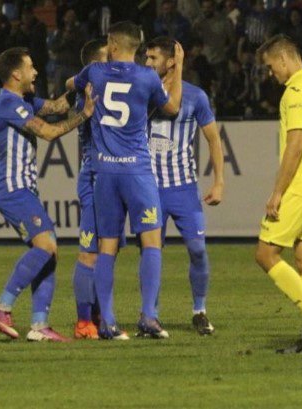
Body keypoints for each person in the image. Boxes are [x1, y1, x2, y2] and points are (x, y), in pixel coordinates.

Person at [67, 21, 184, 340]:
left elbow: (70, 82)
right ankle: (149, 316)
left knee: (105, 248)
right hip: (137, 172)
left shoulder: (93, 73)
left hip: (103, 172)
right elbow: (172, 107)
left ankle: (107, 322)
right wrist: (179, 67)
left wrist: (83, 89)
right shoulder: (146, 76)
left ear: (113, 45)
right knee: (150, 243)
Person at [0, 47, 95, 342]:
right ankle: (2, 306)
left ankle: (39, 325)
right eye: (31, 68)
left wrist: (80, 82)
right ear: (16, 74)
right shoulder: (6, 103)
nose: (36, 73)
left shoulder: (25, 101)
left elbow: (59, 106)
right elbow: (48, 132)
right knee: (45, 244)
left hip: (24, 189)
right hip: (12, 188)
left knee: (50, 250)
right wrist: (84, 115)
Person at [254, 34, 302, 354]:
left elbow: (297, 144)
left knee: (265, 254)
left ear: (284, 59)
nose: (272, 74)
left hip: (301, 186)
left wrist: (277, 192)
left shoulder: (297, 91)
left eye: (272, 67)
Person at [145, 36, 224, 335]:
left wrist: (219, 182)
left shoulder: (196, 97)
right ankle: (150, 315)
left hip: (183, 188)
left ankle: (199, 310)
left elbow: (214, 139)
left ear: (171, 62)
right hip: (149, 188)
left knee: (198, 249)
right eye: (147, 57)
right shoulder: (143, 93)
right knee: (151, 254)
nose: (148, 63)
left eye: (153, 58)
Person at [71, 38, 108, 340]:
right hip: (94, 178)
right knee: (89, 254)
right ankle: (84, 321)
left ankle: (97, 315)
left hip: (114, 177)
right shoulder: (87, 95)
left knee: (106, 253)